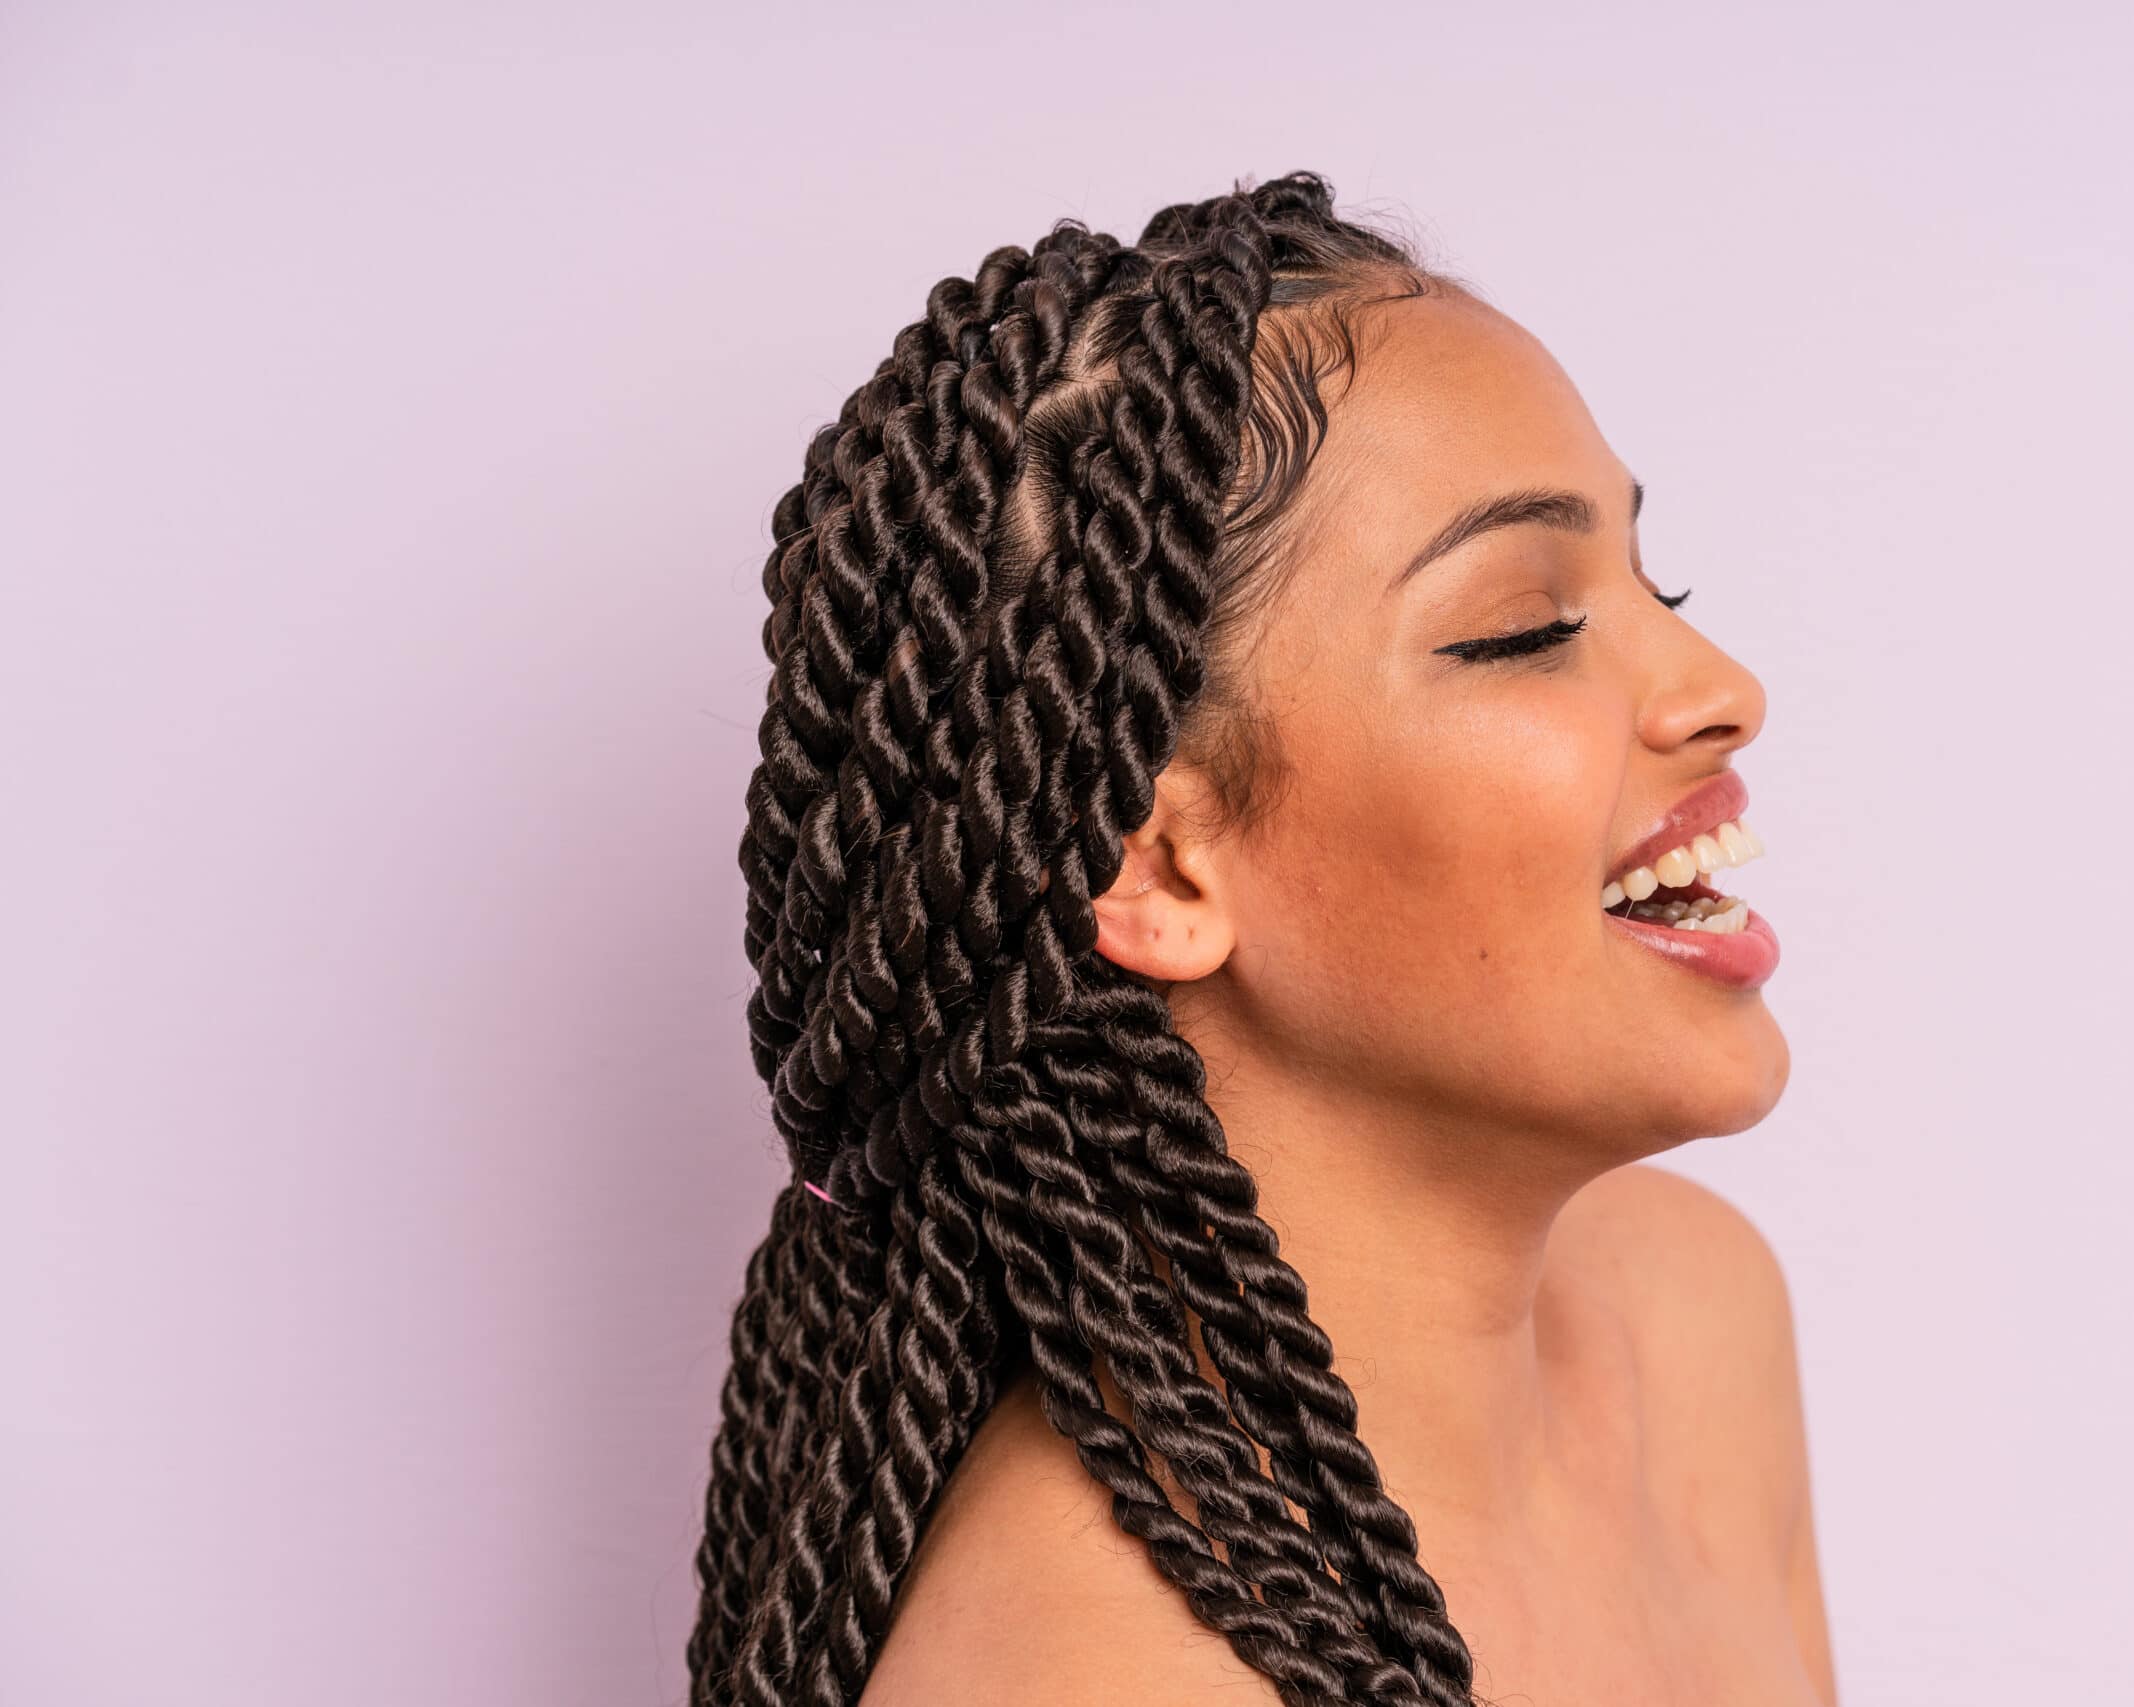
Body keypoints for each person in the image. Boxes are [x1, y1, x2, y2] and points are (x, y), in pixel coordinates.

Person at [687, 169, 1834, 1707]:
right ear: (1156, 864)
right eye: (1526, 629)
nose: (1721, 683)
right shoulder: (1091, 1676)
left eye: (1651, 579)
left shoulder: (1692, 1318)